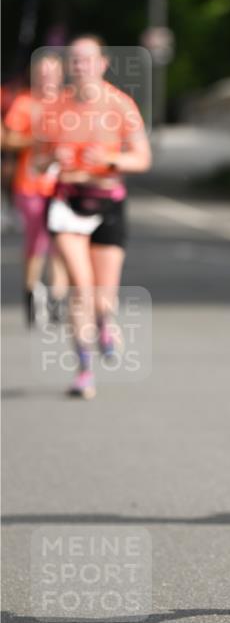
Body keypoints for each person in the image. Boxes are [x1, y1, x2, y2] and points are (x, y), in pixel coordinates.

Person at [43, 35, 152, 399]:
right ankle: (84, 370)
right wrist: (52, 156)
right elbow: (39, 160)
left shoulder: (121, 105)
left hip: (107, 202)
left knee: (102, 297)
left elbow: (141, 158)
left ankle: (105, 321)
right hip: (67, 203)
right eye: (75, 60)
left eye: (88, 59)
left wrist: (108, 161)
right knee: (80, 287)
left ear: (103, 63)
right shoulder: (56, 107)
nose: (81, 66)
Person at [1, 54, 69, 326]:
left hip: (64, 185)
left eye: (52, 72)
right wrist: (35, 138)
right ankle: (31, 291)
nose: (47, 77)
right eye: (42, 72)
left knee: (62, 242)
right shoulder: (25, 102)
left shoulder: (69, 102)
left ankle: (57, 297)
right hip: (31, 184)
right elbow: (7, 138)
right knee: (39, 238)